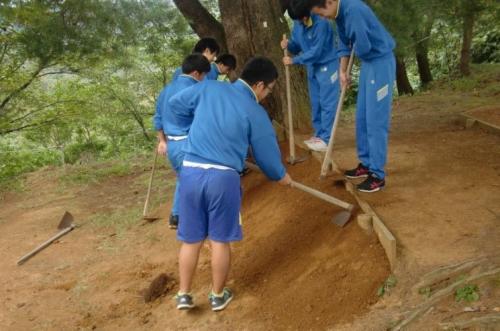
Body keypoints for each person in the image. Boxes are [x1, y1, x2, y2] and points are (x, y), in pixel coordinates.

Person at [169, 57, 292, 311]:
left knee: (191, 240)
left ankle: (184, 294)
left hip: (190, 173)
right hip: (222, 178)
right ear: (259, 85)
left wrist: (195, 122)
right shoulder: (256, 112)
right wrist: (280, 175)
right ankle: (216, 295)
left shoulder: (210, 87)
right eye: (269, 89)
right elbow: (267, 155)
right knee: (219, 240)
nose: (267, 95)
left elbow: (175, 103)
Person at [293, 0, 396, 192]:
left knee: (375, 120)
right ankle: (365, 164)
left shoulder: (354, 10)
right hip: (368, 64)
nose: (323, 18)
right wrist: (342, 71)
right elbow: (343, 44)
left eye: (322, 14)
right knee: (362, 118)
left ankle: (377, 175)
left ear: (330, 2)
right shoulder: (338, 14)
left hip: (380, 63)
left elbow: (362, 47)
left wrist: (352, 41)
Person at [153, 54, 211, 229]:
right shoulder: (197, 90)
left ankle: (176, 215)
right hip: (190, 144)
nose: (204, 79)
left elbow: (158, 118)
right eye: (204, 75)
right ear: (196, 73)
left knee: (183, 177)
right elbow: (205, 119)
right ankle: (196, 218)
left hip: (172, 145)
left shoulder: (166, 90)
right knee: (200, 179)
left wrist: (162, 141)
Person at [281, 5, 341, 152]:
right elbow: (297, 46)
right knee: (316, 103)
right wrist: (288, 45)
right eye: (297, 21)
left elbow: (316, 52)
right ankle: (319, 135)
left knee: (327, 103)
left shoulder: (321, 23)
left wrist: (294, 60)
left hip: (327, 65)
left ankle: (326, 139)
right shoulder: (298, 22)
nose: (300, 22)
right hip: (312, 67)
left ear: (307, 14)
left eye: (302, 19)